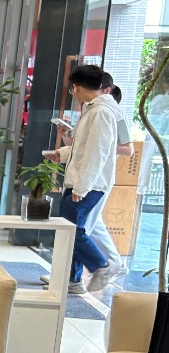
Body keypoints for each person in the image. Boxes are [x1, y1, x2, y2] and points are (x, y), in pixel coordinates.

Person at [50, 65, 121, 295]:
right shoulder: (92, 110)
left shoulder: (101, 112)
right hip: (81, 181)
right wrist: (61, 154)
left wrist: (81, 187)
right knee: (71, 229)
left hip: (88, 184)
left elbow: (96, 153)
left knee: (72, 231)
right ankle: (73, 280)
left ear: (76, 87)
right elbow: (83, 148)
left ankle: (102, 265)